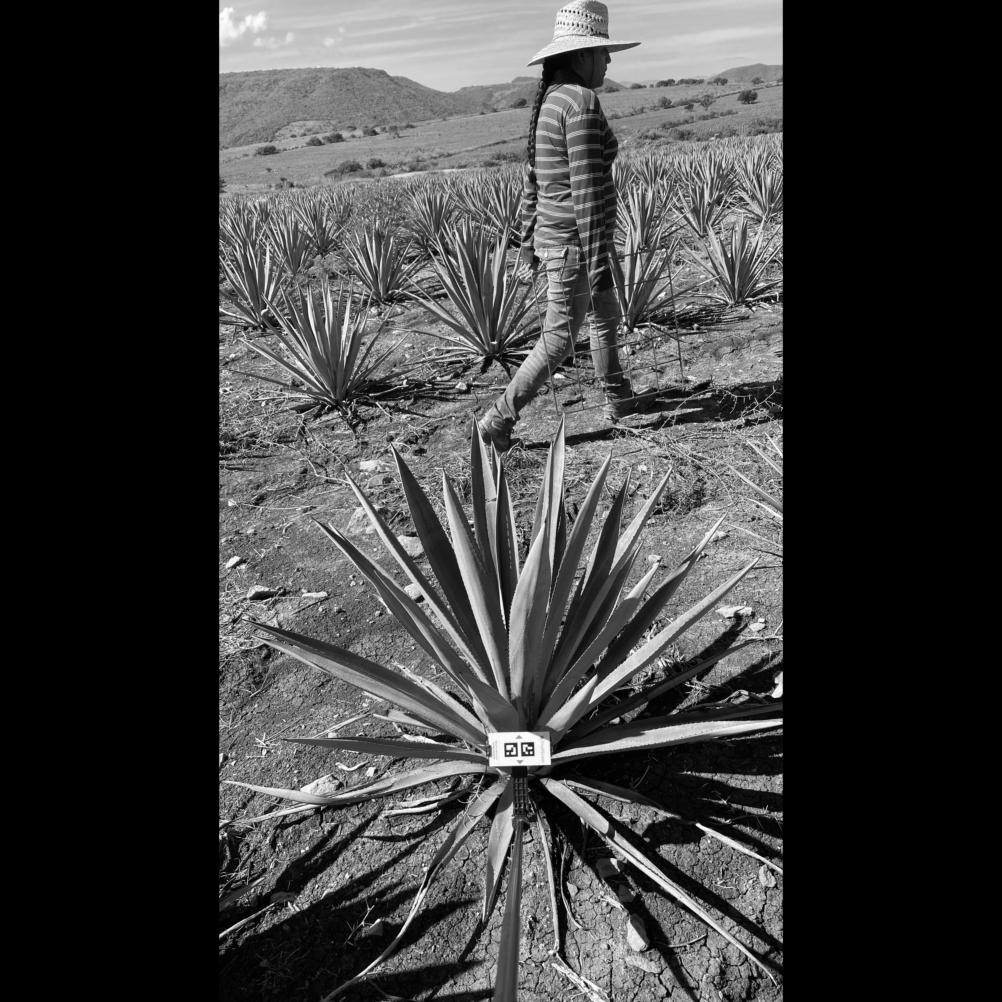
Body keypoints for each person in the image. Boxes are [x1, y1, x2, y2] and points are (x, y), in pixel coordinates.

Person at [478, 0, 658, 452]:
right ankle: (496, 421)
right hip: (578, 242)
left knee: (604, 317)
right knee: (559, 337)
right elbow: (586, 190)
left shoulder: (551, 101)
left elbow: (533, 179)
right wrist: (598, 265)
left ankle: (619, 398)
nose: (609, 60)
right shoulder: (579, 102)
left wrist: (527, 240)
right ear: (580, 56)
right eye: (602, 51)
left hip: (565, 239)